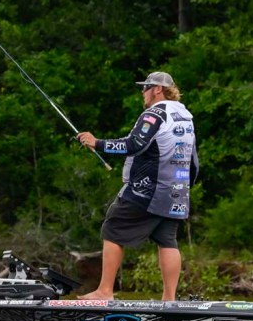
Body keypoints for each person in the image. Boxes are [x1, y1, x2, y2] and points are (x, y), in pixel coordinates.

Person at [75, 71, 199, 301]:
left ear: (158, 89)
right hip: (177, 192)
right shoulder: (185, 116)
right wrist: (185, 188)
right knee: (167, 239)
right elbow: (193, 159)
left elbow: (133, 145)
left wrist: (97, 143)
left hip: (147, 190)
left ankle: (104, 291)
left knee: (113, 227)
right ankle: (169, 300)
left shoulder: (155, 114)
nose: (142, 92)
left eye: (145, 87)